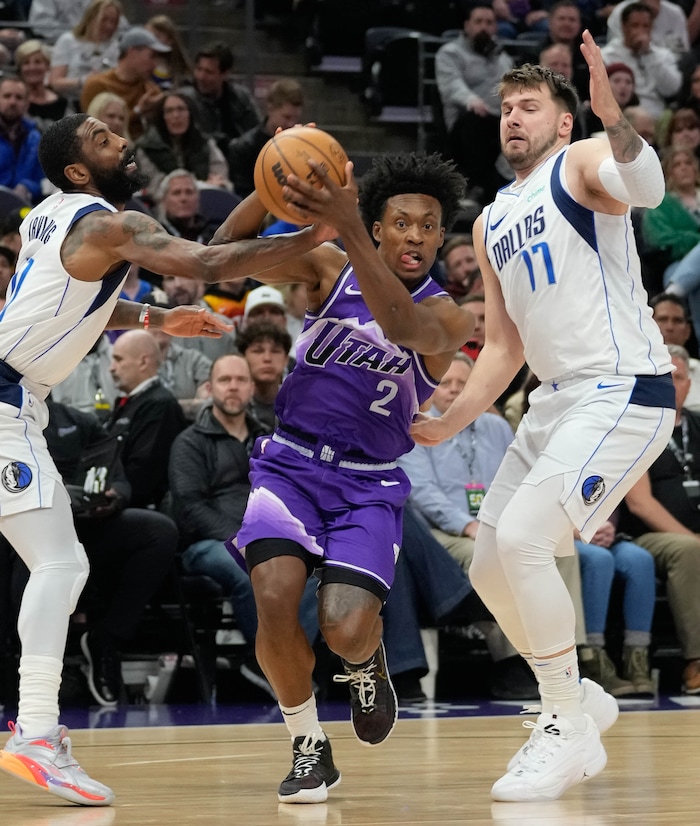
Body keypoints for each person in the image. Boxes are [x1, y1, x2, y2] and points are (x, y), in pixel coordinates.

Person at [0, 111, 334, 806]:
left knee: (58, 562)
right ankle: (34, 732)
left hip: (16, 403)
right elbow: (209, 262)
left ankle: (35, 728)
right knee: (60, 563)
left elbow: (76, 305)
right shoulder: (102, 224)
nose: (121, 140)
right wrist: (311, 238)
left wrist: (156, 318)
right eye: (101, 140)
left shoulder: (49, 218)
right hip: (4, 408)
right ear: (77, 170)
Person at [411, 34, 676, 802]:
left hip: (623, 387)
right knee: (492, 564)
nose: (513, 118)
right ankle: (580, 702)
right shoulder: (493, 217)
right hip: (554, 400)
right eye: (505, 107)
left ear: (563, 122)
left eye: (529, 106)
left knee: (528, 541)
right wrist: (450, 420)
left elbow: (649, 187)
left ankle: (564, 720)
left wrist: (614, 118)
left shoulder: (585, 160)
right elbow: (501, 344)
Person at [218, 150, 472, 803]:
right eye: (401, 223)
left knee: (343, 625)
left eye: (428, 225)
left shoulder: (449, 318)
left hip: (369, 481)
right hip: (291, 464)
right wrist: (267, 184)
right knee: (273, 597)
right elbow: (223, 252)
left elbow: (398, 323)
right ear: (381, 228)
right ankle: (308, 746)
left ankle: (366, 662)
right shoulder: (328, 268)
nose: (414, 235)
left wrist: (348, 225)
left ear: (441, 237)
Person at [168, 354, 320, 690]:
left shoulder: (270, 438)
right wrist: (239, 540)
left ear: (252, 388)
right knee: (254, 572)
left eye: (240, 380)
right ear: (209, 388)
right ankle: (280, 669)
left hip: (268, 537)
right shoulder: (189, 442)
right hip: (208, 544)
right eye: (225, 380)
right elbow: (189, 507)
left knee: (311, 573)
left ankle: (269, 664)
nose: (233, 387)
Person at [620, 344, 700, 694]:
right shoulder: (637, 426)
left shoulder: (697, 425)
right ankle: (696, 662)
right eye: (663, 377)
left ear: (688, 384)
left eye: (677, 377)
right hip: (647, 536)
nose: (671, 383)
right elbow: (640, 505)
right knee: (688, 551)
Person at [435, 1, 513, 203]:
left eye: (489, 22)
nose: (484, 27)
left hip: (497, 123)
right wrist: (471, 100)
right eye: (478, 22)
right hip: (464, 126)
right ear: (467, 26)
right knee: (475, 122)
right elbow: (451, 84)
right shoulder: (449, 53)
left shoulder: (503, 58)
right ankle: (474, 185)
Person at [575, 516, 657, 696]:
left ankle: (636, 662)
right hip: (564, 536)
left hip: (607, 534)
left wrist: (607, 529)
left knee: (640, 560)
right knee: (599, 559)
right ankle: (592, 660)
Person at [642, 147, 700, 341]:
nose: (684, 168)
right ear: (669, 172)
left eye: (688, 163)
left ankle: (673, 294)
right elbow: (661, 240)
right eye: (677, 164)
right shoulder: (661, 204)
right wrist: (696, 240)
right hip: (676, 264)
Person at [134, 91, 231, 199]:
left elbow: (220, 180)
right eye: (169, 111)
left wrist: (215, 185)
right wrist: (202, 186)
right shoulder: (147, 147)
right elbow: (155, 188)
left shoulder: (205, 143)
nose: (176, 115)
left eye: (181, 109)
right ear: (162, 116)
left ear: (191, 113)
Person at [80, 26, 170, 141]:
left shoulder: (150, 91)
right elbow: (93, 130)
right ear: (132, 52)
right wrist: (138, 111)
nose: (154, 65)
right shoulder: (97, 85)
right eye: (151, 57)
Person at [600, 2, 681, 119]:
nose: (640, 31)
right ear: (624, 26)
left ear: (652, 27)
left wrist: (648, 54)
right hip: (621, 117)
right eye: (635, 25)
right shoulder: (606, 56)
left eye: (645, 26)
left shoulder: (664, 55)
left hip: (657, 117)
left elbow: (671, 89)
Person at [181, 41, 261, 157]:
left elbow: (256, 133)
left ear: (225, 74)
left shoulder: (240, 97)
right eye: (199, 69)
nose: (201, 77)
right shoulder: (186, 99)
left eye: (209, 72)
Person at [228, 78, 304, 198]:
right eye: (286, 117)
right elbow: (241, 196)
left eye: (296, 118)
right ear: (270, 108)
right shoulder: (244, 148)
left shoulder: (303, 146)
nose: (291, 124)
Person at [48, 0, 122, 110]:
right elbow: (55, 82)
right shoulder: (68, 41)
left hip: (103, 105)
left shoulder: (115, 47)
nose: (108, 26)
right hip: (71, 103)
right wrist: (83, 81)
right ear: (91, 18)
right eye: (104, 19)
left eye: (113, 22)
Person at [236, 319, 292, 430]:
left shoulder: (299, 407)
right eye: (258, 351)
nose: (267, 358)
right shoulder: (230, 405)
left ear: (286, 360)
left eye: (275, 351)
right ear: (242, 357)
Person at [650, 293, 700, 411]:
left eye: (677, 321)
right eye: (662, 319)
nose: (670, 327)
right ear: (648, 326)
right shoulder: (631, 369)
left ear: (688, 331)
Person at [0, 76, 44, 204]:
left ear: (27, 104)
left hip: (26, 210)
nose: (12, 102)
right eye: (7, 96)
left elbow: (45, 181)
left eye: (19, 97)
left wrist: (27, 187)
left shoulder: (37, 138)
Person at [14, 40, 67, 133]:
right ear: (20, 68)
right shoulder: (13, 100)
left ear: (47, 65)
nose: (32, 67)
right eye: (26, 63)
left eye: (38, 62)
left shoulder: (63, 102)